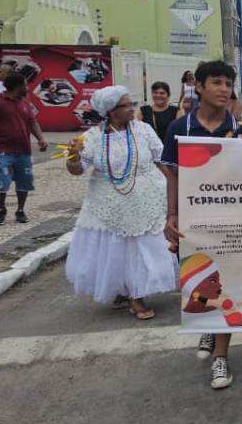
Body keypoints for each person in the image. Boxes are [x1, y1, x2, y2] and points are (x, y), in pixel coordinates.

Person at [158, 60, 242, 390]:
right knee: (198, 280)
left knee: (223, 283)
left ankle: (221, 357)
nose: (224, 89)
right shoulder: (179, 129)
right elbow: (172, 173)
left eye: (228, 83)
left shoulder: (240, 130)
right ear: (198, 87)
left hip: (230, 221)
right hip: (194, 222)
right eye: (216, 82)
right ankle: (209, 329)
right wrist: (171, 214)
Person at [64, 86, 178, 321]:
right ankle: (128, 294)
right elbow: (77, 170)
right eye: (125, 105)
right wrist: (73, 155)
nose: (131, 109)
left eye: (131, 104)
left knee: (142, 247)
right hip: (109, 202)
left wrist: (174, 191)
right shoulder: (93, 137)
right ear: (111, 111)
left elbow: (162, 161)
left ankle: (136, 293)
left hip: (146, 199)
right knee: (116, 249)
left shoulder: (144, 130)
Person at [0, 72, 47, 226]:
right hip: (1, 150)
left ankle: (20, 210)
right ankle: (2, 209)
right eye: (25, 84)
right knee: (1, 181)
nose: (27, 88)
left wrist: (41, 139)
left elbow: (33, 122)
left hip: (23, 150)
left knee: (24, 181)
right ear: (17, 86)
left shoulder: (26, 104)